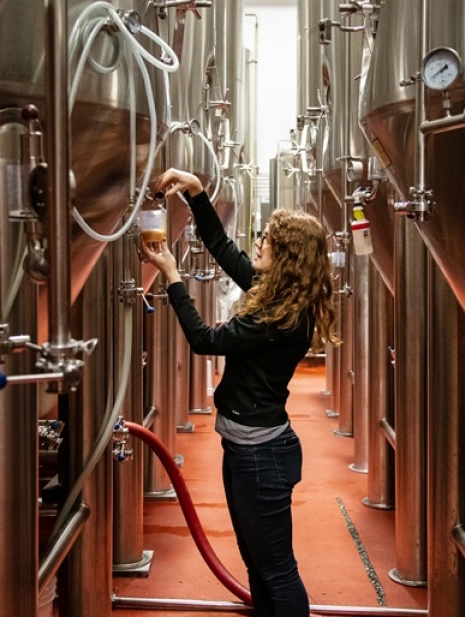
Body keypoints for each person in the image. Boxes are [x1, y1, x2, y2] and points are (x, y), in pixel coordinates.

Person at [139, 168, 339, 617]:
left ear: (287, 256)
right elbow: (224, 251)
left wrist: (173, 277)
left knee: (277, 570)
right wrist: (197, 194)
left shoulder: (277, 319)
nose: (260, 242)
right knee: (257, 564)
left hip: (260, 457)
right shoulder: (279, 299)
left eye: (269, 239)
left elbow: (206, 340)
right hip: (250, 451)